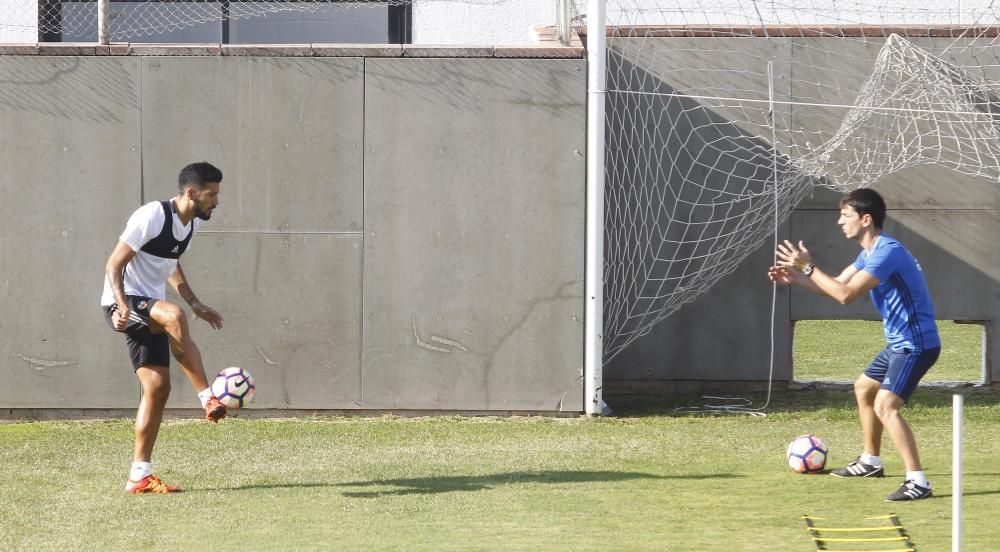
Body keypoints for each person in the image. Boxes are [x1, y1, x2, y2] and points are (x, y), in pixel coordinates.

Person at [768, 188, 941, 502]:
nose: (839, 222)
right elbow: (838, 287)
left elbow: (846, 297)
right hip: (899, 343)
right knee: (864, 388)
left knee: (886, 407)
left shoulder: (888, 252)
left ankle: (918, 481)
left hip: (916, 344)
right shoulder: (870, 252)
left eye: (845, 215)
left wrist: (808, 268)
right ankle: (871, 461)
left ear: (866, 219)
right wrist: (798, 278)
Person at [101, 162, 227, 494]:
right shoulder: (152, 216)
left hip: (148, 305)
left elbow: (169, 263)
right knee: (173, 316)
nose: (216, 201)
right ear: (191, 193)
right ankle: (208, 397)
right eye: (211, 194)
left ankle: (138, 476)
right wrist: (121, 305)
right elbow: (114, 263)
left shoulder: (190, 226)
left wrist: (195, 302)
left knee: (157, 388)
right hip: (125, 301)